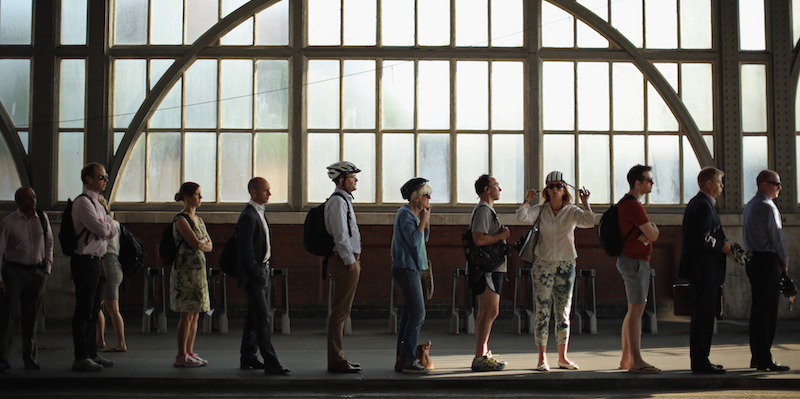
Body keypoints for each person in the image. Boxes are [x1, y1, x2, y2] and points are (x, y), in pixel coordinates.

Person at [516, 171, 593, 371]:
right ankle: (542, 358)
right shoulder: (541, 210)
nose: (555, 189)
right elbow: (522, 216)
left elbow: (589, 221)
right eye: (551, 186)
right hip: (543, 264)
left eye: (559, 185)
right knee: (542, 311)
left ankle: (563, 357)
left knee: (563, 312)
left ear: (565, 188)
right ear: (546, 189)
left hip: (567, 264)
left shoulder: (572, 210)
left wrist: (585, 203)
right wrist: (527, 199)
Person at [677, 167, 732, 374]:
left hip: (701, 271)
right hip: (703, 271)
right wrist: (723, 246)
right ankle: (701, 362)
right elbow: (701, 238)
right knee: (703, 317)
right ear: (708, 184)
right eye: (719, 182)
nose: (722, 186)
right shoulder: (702, 205)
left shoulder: (699, 203)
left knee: (704, 316)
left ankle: (702, 360)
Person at [236, 177, 289, 375]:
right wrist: (257, 273)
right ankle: (271, 361)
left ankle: (248, 357)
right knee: (262, 319)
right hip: (255, 275)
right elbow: (246, 251)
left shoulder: (258, 214)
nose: (270, 194)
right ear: (254, 192)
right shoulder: (248, 216)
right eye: (266, 190)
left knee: (253, 317)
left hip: (261, 270)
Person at [70, 162, 118, 372]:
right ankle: (80, 356)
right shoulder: (83, 203)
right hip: (84, 261)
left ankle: (91, 353)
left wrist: (107, 226)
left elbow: (113, 227)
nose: (105, 180)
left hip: (97, 261)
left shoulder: (98, 203)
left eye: (105, 177)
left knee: (93, 310)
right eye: (101, 177)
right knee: (84, 309)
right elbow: (102, 228)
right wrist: (107, 226)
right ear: (88, 179)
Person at [743, 170, 791, 372]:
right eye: (776, 184)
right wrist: (784, 261)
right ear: (764, 185)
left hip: (753, 259)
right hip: (767, 260)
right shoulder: (768, 207)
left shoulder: (750, 206)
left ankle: (757, 356)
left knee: (758, 310)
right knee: (768, 312)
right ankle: (765, 359)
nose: (779, 188)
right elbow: (777, 238)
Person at [0, 188, 52, 371]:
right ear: (19, 201)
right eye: (28, 198)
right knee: (8, 317)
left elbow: (49, 242)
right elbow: (0, 250)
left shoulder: (42, 219)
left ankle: (29, 358)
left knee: (31, 318)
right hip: (14, 271)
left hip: (36, 272)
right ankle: (3, 359)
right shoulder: (8, 222)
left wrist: (47, 266)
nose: (33, 200)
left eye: (34, 197)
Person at [616, 164, 660, 374]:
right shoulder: (633, 205)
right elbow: (652, 235)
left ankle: (627, 358)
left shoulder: (629, 204)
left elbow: (651, 233)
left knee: (633, 311)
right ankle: (636, 361)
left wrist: (652, 229)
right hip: (635, 261)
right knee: (636, 311)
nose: (652, 183)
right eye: (649, 180)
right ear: (638, 183)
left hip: (631, 260)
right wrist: (652, 229)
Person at [323, 161, 363, 373]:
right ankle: (336, 359)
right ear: (340, 181)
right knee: (340, 312)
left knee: (342, 311)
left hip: (347, 259)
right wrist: (350, 261)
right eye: (351, 177)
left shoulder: (344, 201)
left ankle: (337, 358)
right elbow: (340, 235)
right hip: (343, 260)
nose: (355, 180)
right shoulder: (338, 202)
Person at [391, 177, 433, 374]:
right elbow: (413, 239)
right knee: (417, 314)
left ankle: (402, 358)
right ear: (415, 197)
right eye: (426, 194)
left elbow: (423, 239)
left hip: (413, 268)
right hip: (406, 269)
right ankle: (407, 360)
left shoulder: (414, 215)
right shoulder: (405, 215)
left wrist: (425, 221)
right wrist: (423, 222)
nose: (429, 197)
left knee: (409, 315)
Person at [469, 174, 509, 372]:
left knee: (486, 311)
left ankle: (483, 352)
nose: (499, 188)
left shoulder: (487, 210)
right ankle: (479, 356)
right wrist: (501, 235)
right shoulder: (484, 210)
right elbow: (478, 239)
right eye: (496, 185)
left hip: (491, 269)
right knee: (491, 311)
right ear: (487, 189)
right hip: (488, 269)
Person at [169, 182, 212, 367]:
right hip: (185, 272)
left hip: (198, 272)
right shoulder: (181, 219)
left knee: (195, 314)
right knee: (186, 314)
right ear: (187, 197)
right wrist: (201, 243)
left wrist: (202, 243)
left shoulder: (199, 220)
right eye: (197, 194)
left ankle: (190, 351)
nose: (200, 198)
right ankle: (181, 355)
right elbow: (195, 243)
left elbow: (209, 246)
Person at [95, 196, 127, 353]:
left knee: (112, 308)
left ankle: (120, 343)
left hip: (108, 263)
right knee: (97, 305)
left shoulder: (105, 223)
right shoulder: (114, 223)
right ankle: (100, 340)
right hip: (111, 264)